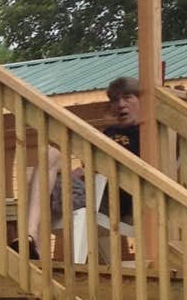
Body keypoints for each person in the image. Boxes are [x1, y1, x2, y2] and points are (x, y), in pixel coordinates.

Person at [26, 73, 143, 260]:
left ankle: (34, 241)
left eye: (128, 97)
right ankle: (31, 237)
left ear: (142, 100)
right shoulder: (110, 132)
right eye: (115, 100)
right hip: (90, 191)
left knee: (36, 177)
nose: (121, 104)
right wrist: (85, 172)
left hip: (111, 200)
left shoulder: (149, 133)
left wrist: (95, 170)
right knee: (42, 162)